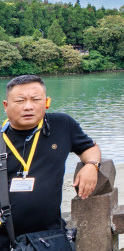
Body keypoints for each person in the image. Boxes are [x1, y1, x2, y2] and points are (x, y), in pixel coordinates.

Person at [1, 75, 101, 250]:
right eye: (20, 101)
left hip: (48, 238)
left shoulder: (62, 124)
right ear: (6, 106)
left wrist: (92, 165)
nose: (28, 106)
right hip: (4, 238)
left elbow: (89, 147)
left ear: (46, 102)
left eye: (36, 99)